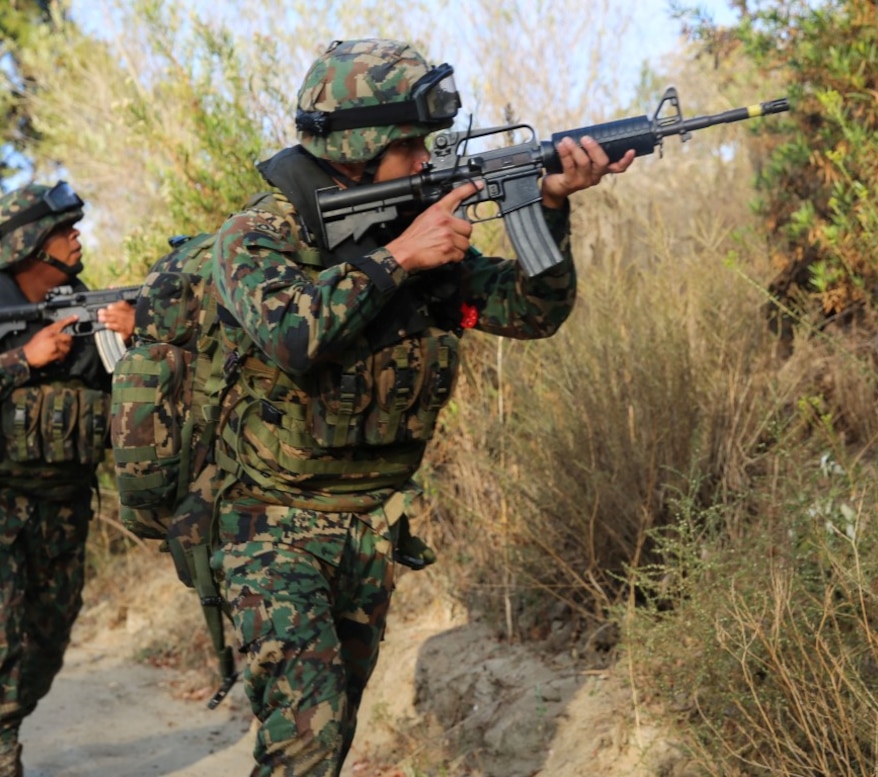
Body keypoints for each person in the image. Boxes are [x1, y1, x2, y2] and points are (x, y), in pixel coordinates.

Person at [209, 38, 634, 776]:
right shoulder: (259, 235)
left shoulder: (415, 233)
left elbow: (534, 312)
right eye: (410, 144)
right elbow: (288, 332)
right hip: (269, 528)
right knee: (305, 743)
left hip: (370, 530)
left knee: (325, 741)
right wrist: (399, 258)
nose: (426, 158)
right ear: (358, 148)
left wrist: (553, 206)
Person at [0, 181, 135, 777]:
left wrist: (138, 345)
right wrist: (23, 358)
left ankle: (1, 713)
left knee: (48, 640)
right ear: (31, 245)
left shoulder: (95, 313)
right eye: (64, 229)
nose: (77, 236)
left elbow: (134, 410)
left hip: (62, 504)